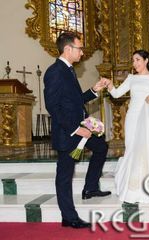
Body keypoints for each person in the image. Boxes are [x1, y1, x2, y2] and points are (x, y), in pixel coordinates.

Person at [44, 32, 111, 229]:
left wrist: (94, 89)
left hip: (81, 127)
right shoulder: (55, 71)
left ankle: (90, 188)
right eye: (79, 48)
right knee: (65, 174)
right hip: (68, 132)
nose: (82, 52)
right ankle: (69, 217)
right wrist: (75, 129)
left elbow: (74, 101)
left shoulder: (69, 70)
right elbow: (53, 106)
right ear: (68, 49)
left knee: (101, 147)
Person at [106, 49, 149, 204]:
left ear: (146, 61)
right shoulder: (131, 78)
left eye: (138, 60)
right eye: (133, 60)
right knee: (132, 147)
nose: (135, 63)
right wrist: (110, 85)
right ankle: (132, 185)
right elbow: (117, 94)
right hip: (133, 117)